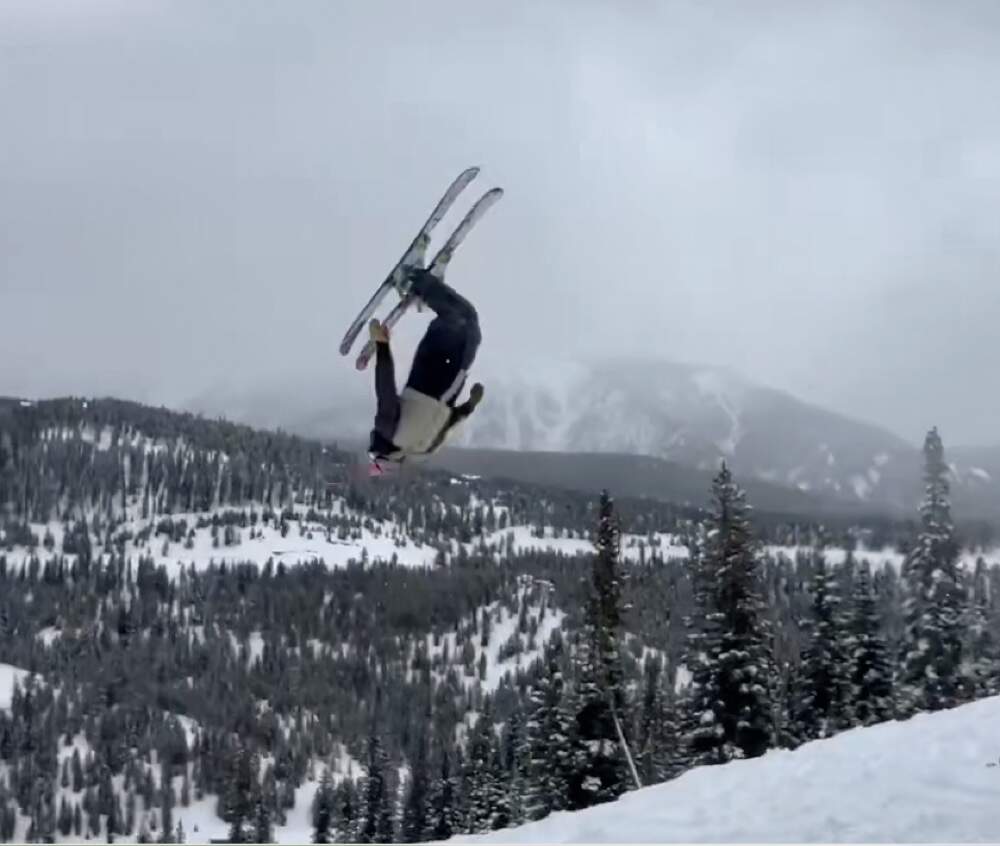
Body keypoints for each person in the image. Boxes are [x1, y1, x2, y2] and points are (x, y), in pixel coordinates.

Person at [367, 268, 484, 472]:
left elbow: (385, 390)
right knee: (455, 321)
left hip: (444, 380)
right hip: (428, 372)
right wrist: (470, 405)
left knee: (466, 323)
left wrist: (382, 347)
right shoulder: (421, 450)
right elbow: (448, 426)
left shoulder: (398, 437)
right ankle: (426, 290)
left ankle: (420, 285)